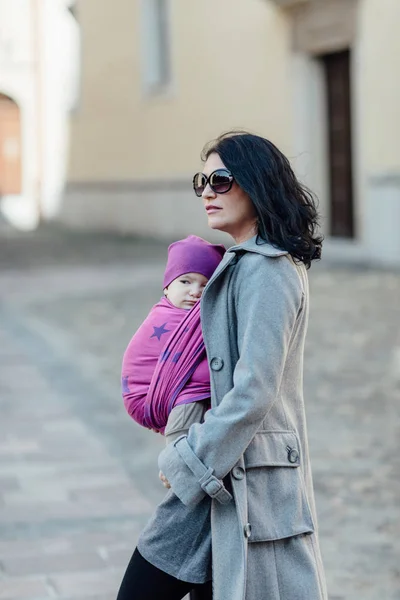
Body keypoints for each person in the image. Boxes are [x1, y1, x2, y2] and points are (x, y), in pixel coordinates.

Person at [116, 131, 328, 600]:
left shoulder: (268, 271)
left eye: (222, 179)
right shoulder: (239, 264)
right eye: (202, 181)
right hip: (220, 476)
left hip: (245, 482)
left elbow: (255, 390)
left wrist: (186, 460)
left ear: (256, 183)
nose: (208, 191)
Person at [121, 235, 225, 440]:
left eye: (205, 285)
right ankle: (175, 461)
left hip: (168, 395)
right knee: (192, 404)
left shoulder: (197, 317)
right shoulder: (165, 317)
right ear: (167, 286)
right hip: (147, 396)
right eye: (185, 281)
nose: (195, 292)